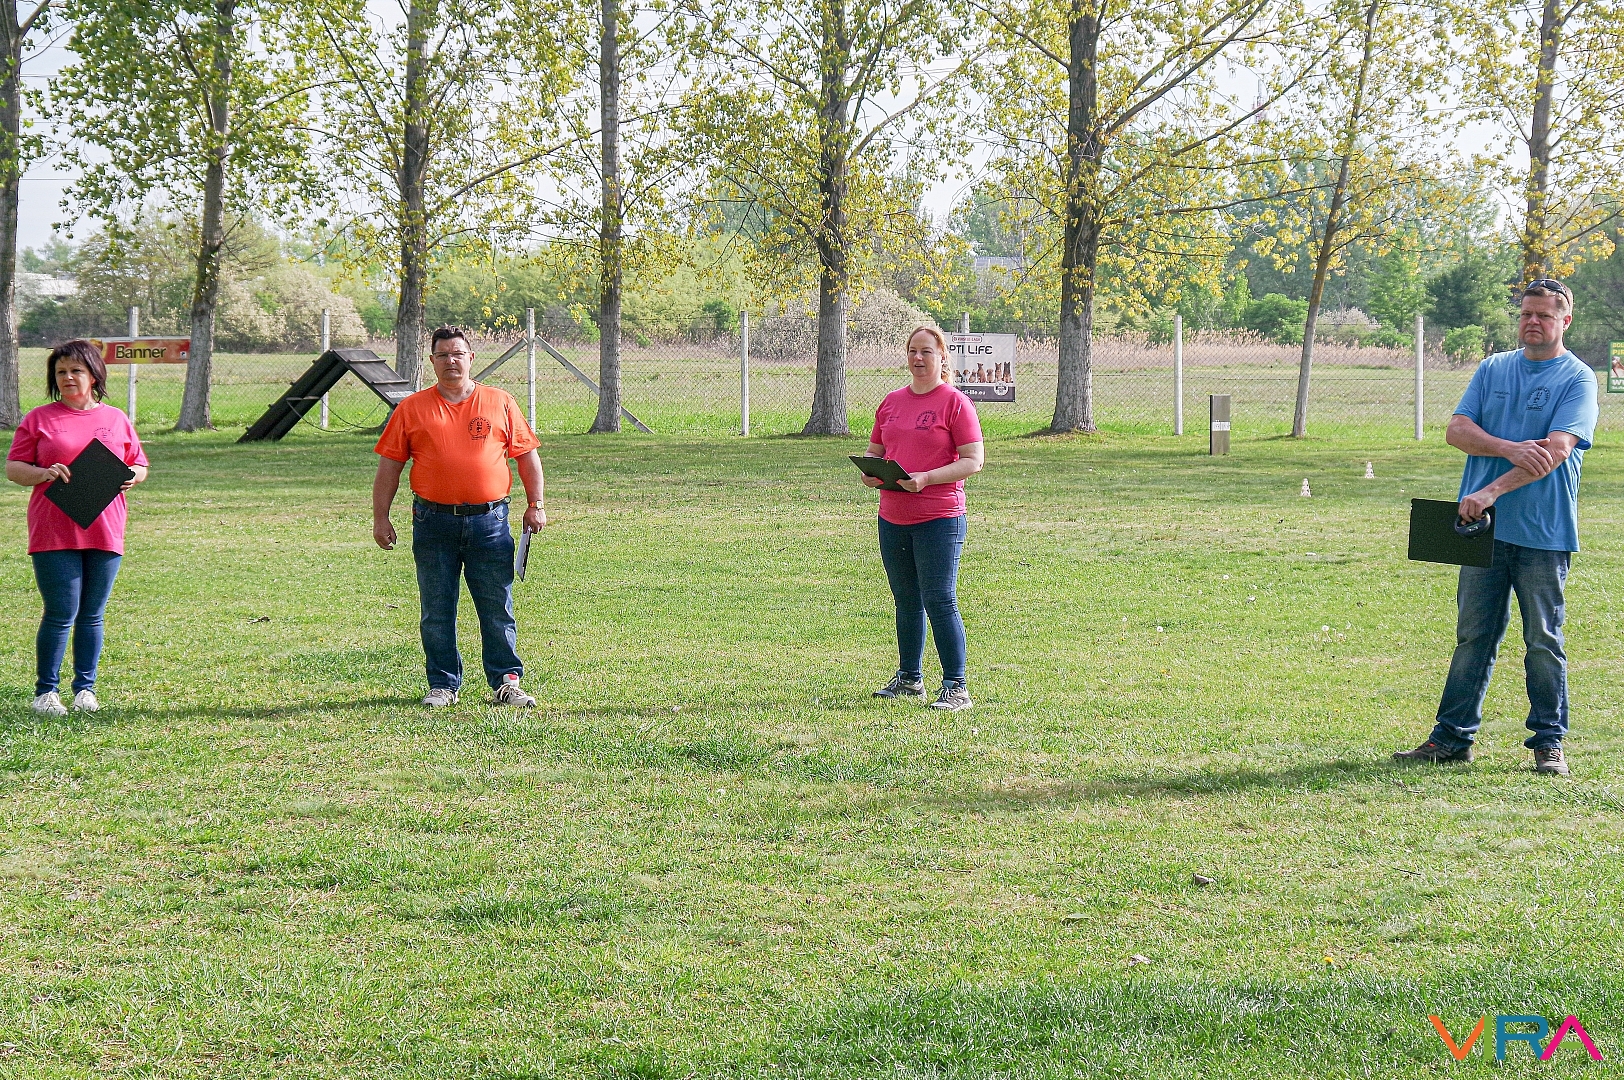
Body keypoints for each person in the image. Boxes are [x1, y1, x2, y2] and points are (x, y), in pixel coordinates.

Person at [1394, 279, 1598, 776]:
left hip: (1543, 532)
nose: (1533, 322)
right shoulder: (1493, 369)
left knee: (1543, 640)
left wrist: (1490, 491)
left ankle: (1549, 743)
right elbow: (1457, 430)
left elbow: (1555, 451)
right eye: (1526, 314)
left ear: (1565, 321)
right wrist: (1509, 447)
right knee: (1473, 638)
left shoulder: (1578, 378)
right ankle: (1451, 739)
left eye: (1544, 315)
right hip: (1482, 532)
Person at [372, 326, 547, 708]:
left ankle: (506, 682)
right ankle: (443, 685)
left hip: (490, 523)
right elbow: (389, 468)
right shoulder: (411, 409)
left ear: (471, 358)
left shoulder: (499, 401)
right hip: (433, 523)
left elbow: (527, 456)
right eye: (443, 355)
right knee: (437, 609)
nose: (451, 361)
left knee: (496, 607)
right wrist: (380, 518)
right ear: (432, 361)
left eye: (458, 354)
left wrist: (535, 504)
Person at [6, 340, 148, 716]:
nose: (68, 377)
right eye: (60, 372)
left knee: (93, 613)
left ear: (94, 375)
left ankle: (85, 690)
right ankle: (45, 694)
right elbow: (14, 469)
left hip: (104, 527)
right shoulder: (38, 419)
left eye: (76, 371)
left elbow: (139, 463)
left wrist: (133, 475)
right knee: (60, 611)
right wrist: (43, 472)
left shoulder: (116, 419)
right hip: (53, 528)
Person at [862, 326, 985, 711]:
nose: (918, 358)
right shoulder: (891, 402)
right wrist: (870, 471)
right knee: (906, 599)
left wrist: (928, 478)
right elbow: (875, 451)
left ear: (942, 356)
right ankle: (910, 679)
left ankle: (956, 687)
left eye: (926, 351)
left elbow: (973, 460)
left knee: (939, 599)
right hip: (892, 516)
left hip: (939, 518)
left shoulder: (956, 403)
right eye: (913, 351)